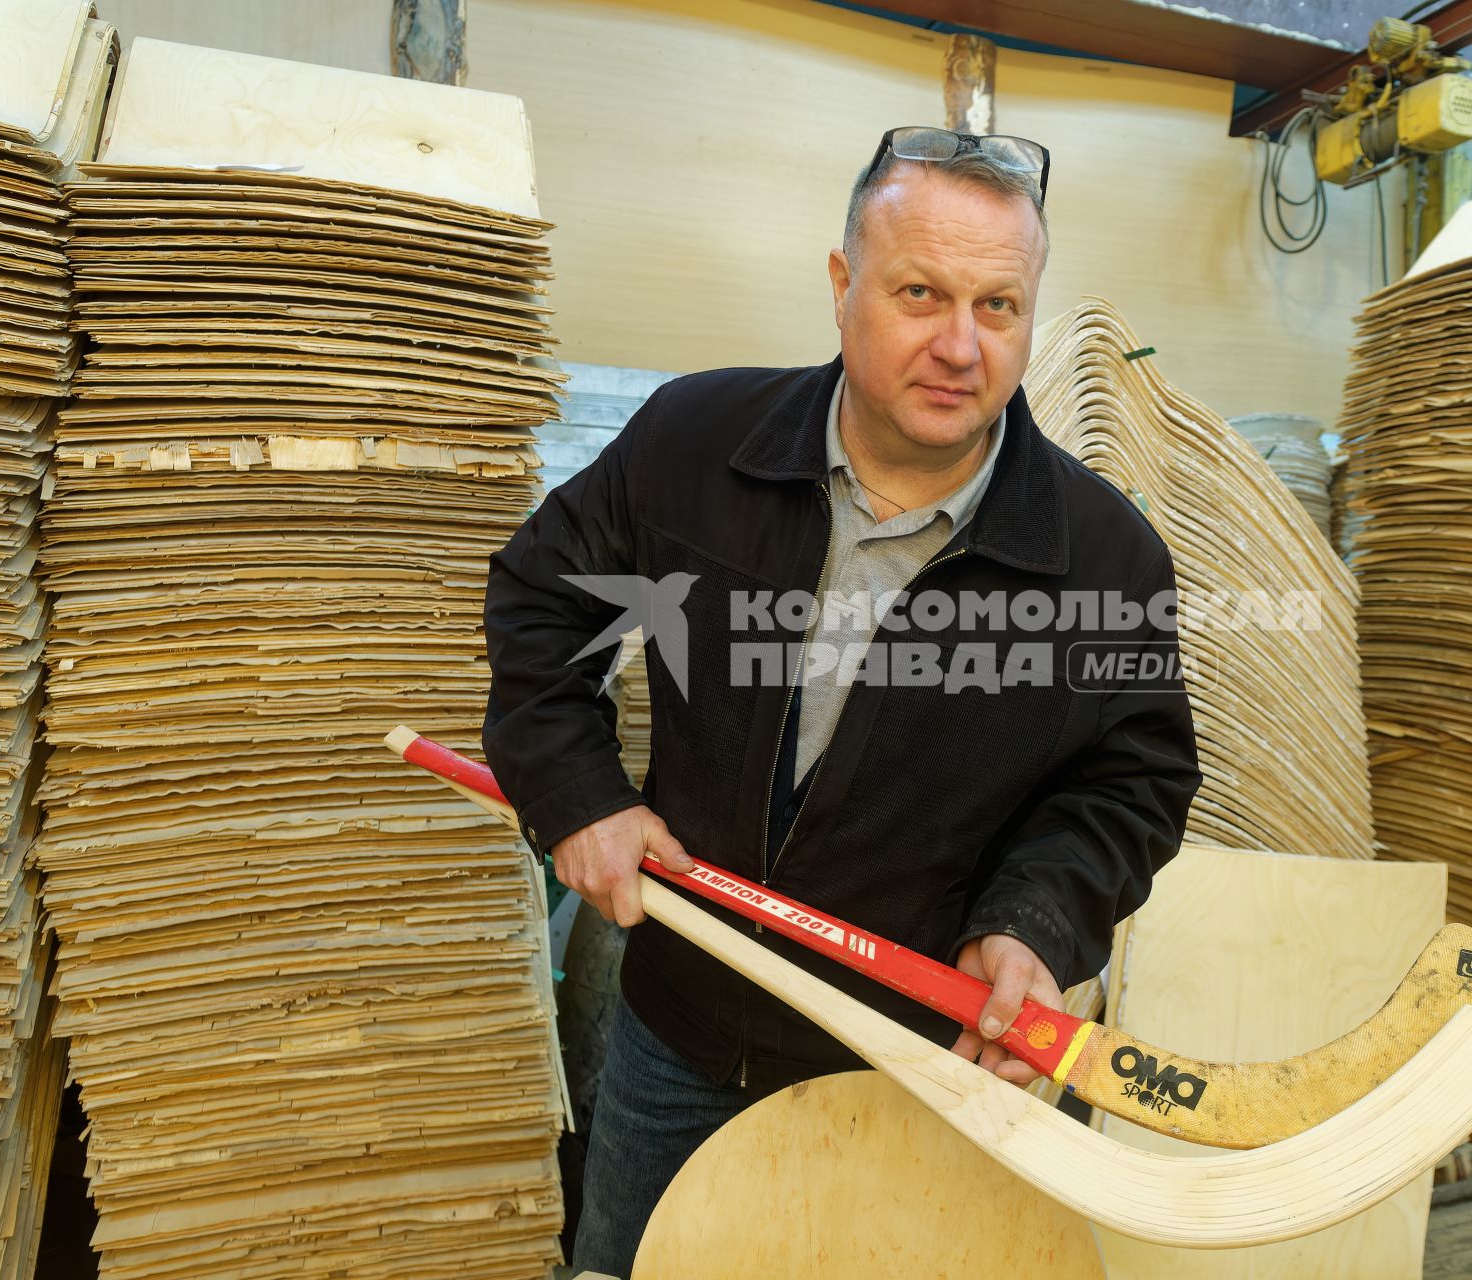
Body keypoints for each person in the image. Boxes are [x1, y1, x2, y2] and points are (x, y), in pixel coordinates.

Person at [482, 124, 1201, 1274]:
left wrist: (1036, 923)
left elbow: (1135, 779)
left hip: (930, 1065)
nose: (960, 345)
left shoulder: (1104, 558)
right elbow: (541, 603)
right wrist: (576, 793)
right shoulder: (692, 446)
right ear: (841, 284)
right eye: (920, 292)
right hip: (684, 1030)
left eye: (1000, 306)